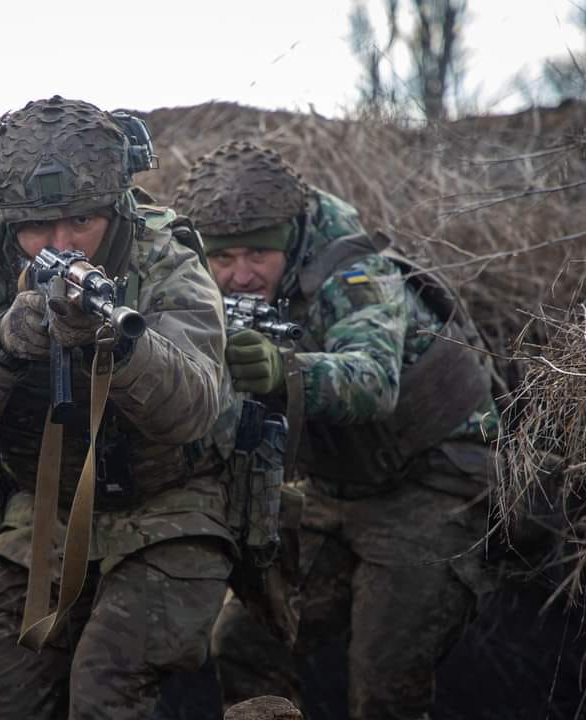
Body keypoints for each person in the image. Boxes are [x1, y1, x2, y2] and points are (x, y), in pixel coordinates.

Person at [0, 96, 235, 720]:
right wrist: (0, 347)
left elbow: (195, 410)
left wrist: (120, 348)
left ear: (112, 208)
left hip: (169, 510)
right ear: (5, 224)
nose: (61, 244)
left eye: (80, 220)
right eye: (36, 228)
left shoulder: (164, 262)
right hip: (44, 519)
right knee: (7, 698)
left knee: (105, 688)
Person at [174, 140, 499, 720]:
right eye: (223, 260)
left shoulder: (351, 269)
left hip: (431, 487)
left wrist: (283, 371)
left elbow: (373, 381)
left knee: (383, 691)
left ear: (289, 238)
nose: (240, 276)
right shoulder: (203, 283)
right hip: (333, 491)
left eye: (257, 255)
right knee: (244, 647)